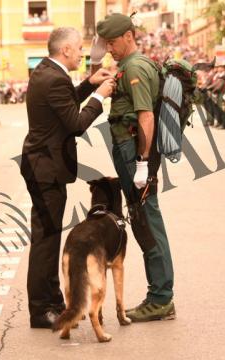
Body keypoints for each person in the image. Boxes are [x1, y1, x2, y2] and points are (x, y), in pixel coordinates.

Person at [20, 27, 114, 329]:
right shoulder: (54, 77)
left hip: (41, 165)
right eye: (78, 48)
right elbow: (75, 123)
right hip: (46, 167)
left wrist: (88, 84)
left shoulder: (46, 71)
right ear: (65, 51)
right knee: (46, 241)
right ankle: (41, 309)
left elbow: (64, 102)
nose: (82, 53)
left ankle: (51, 300)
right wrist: (99, 96)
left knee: (48, 237)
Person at [94, 13, 176, 322]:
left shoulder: (136, 68)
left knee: (146, 220)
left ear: (128, 36)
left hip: (134, 152)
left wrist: (142, 164)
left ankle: (161, 298)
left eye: (112, 42)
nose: (109, 49)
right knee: (144, 218)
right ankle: (160, 295)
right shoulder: (128, 66)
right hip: (129, 151)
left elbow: (146, 117)